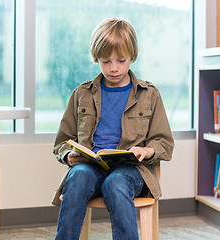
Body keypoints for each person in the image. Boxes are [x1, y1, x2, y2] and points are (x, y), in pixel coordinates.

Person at [52, 17, 174, 240]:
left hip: (131, 171)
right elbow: (62, 141)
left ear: (132, 57)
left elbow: (164, 142)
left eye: (121, 60)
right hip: (91, 167)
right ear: (96, 58)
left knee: (115, 182)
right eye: (106, 61)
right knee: (77, 177)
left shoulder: (149, 95)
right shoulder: (82, 94)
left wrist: (146, 151)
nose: (114, 68)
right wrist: (68, 156)